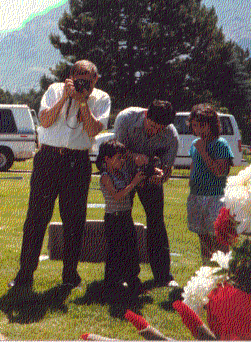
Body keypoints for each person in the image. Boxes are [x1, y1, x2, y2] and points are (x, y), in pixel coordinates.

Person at [9, 60, 110, 297]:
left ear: (96, 80)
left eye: (87, 77)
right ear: (70, 76)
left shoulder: (101, 99)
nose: (82, 80)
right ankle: (25, 273)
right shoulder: (55, 90)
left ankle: (70, 274)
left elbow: (94, 130)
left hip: (77, 161)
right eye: (77, 76)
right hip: (48, 158)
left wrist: (83, 101)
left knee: (74, 221)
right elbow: (44, 120)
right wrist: (65, 97)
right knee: (36, 217)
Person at [113, 99, 179, 287]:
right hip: (124, 174)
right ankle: (127, 275)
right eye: (151, 126)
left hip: (150, 179)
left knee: (156, 222)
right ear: (145, 115)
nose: (154, 131)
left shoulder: (171, 136)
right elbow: (115, 154)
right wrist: (135, 157)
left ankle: (163, 276)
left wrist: (160, 176)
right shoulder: (125, 119)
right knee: (123, 220)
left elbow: (167, 168)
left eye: (160, 129)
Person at [97, 140, 146, 299]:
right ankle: (112, 283)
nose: (121, 161)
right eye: (118, 158)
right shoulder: (105, 177)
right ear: (107, 159)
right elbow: (117, 196)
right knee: (114, 251)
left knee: (131, 249)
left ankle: (132, 280)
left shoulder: (123, 173)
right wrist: (133, 184)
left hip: (126, 216)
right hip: (113, 219)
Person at [186, 104, 233, 262]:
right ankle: (207, 270)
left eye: (202, 125)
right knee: (203, 237)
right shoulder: (195, 145)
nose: (198, 130)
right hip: (197, 196)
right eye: (194, 125)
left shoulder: (221, 144)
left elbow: (220, 171)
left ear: (211, 124)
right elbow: (194, 164)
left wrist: (204, 152)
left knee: (219, 238)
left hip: (215, 197)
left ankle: (225, 273)